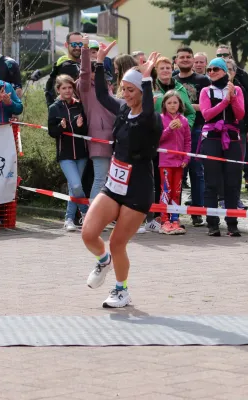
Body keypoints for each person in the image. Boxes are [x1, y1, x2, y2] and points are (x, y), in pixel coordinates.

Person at [82, 43, 162, 308]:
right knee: (89, 233)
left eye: (131, 90)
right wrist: (99, 63)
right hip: (114, 183)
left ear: (142, 92)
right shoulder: (122, 110)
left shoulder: (151, 118)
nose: (125, 94)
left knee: (117, 243)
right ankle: (102, 261)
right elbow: (103, 96)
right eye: (124, 89)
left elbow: (149, 109)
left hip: (138, 188)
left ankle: (121, 291)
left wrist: (148, 78)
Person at [199, 58, 245, 237]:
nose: (211, 72)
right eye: (209, 70)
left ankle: (232, 223)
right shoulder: (205, 91)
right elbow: (206, 114)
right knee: (211, 182)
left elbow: (240, 114)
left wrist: (232, 98)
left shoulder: (237, 89)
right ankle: (212, 223)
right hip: (211, 138)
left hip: (232, 139)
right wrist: (225, 102)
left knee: (232, 183)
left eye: (216, 69)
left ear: (225, 71)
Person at [47, 74, 90, 231]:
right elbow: (52, 132)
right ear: (58, 90)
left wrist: (80, 126)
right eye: (64, 88)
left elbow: (86, 131)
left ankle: (69, 220)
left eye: (70, 87)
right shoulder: (54, 108)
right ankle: (86, 213)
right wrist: (61, 127)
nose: (67, 91)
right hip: (65, 154)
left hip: (81, 153)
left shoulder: (79, 106)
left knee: (74, 188)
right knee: (76, 186)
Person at [173, 46, 210, 227]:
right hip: (175, 132)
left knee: (197, 171)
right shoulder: (171, 80)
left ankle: (197, 211)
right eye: (182, 57)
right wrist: (192, 106)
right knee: (177, 171)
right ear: (176, 61)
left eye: (189, 57)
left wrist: (184, 107)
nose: (186, 60)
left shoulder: (202, 80)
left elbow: (206, 106)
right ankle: (175, 212)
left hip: (197, 130)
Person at [78, 36, 116, 201]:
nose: (95, 73)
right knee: (100, 178)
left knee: (111, 182)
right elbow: (84, 72)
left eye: (98, 70)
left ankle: (105, 215)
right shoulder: (85, 87)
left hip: (115, 137)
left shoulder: (108, 88)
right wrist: (85, 48)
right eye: (94, 70)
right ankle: (91, 216)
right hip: (99, 137)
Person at [158, 90, 191, 235]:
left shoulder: (184, 121)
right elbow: (157, 140)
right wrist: (169, 129)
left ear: (180, 104)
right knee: (166, 190)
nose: (172, 105)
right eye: (169, 103)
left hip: (179, 163)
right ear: (164, 104)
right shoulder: (160, 119)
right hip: (165, 162)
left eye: (175, 102)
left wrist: (186, 158)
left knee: (177, 191)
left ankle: (175, 219)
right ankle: (164, 220)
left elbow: (188, 142)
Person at [226, 58, 248, 197]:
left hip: (240, 131)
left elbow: (247, 111)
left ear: (235, 72)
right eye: (223, 69)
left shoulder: (240, 88)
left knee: (237, 165)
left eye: (230, 70)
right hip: (220, 131)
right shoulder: (211, 87)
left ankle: (235, 196)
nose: (227, 72)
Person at [45, 31, 82, 106]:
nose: (78, 47)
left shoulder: (86, 64)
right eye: (74, 44)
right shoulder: (64, 66)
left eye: (80, 44)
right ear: (66, 45)